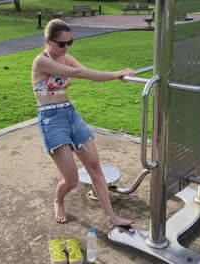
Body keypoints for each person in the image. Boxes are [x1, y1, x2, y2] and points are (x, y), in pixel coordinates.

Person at [31, 19, 136, 228]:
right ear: (47, 41)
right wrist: (116, 74)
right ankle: (58, 200)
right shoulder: (41, 62)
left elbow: (88, 74)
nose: (66, 47)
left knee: (95, 168)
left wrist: (116, 76)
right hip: (51, 120)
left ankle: (111, 218)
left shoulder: (65, 58)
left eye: (70, 42)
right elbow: (78, 74)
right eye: (61, 44)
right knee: (71, 180)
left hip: (71, 114)